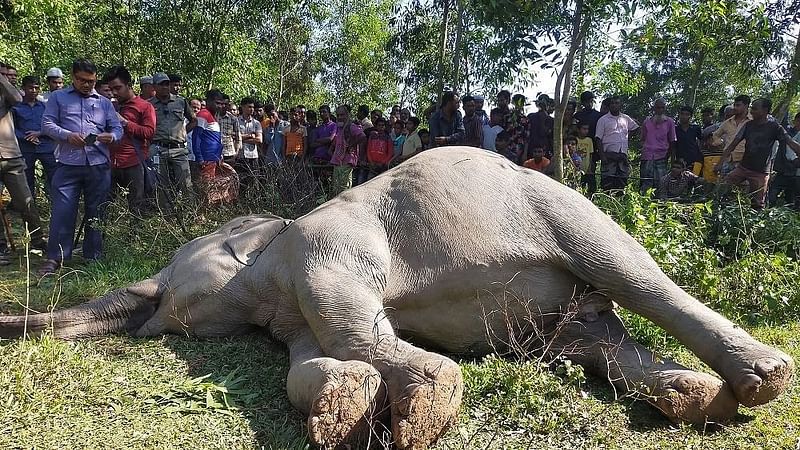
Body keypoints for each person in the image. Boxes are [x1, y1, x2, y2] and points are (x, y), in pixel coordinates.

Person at [39, 58, 122, 275]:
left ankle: (93, 256)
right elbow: (46, 124)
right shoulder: (58, 98)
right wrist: (67, 136)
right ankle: (56, 258)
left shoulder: (104, 102)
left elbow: (117, 128)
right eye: (83, 80)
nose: (87, 85)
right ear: (73, 77)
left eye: (91, 81)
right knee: (62, 211)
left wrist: (110, 136)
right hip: (67, 164)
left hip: (98, 165)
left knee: (97, 211)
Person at [715, 98, 800, 209]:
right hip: (742, 168)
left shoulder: (775, 127)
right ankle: (719, 210)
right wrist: (720, 163)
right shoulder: (748, 125)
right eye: (751, 108)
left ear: (765, 110)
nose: (751, 111)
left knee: (757, 204)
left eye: (755, 109)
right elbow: (732, 145)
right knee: (722, 188)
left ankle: (755, 224)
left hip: (760, 173)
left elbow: (790, 143)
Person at [0, 66, 46, 266]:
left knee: (25, 201)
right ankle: (1, 247)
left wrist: (1, 79)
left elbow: (18, 99)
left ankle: (38, 239)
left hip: (11, 155)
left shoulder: (6, 95)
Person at [104, 65, 156, 214]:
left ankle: (136, 237)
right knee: (104, 207)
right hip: (110, 163)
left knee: (137, 208)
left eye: (118, 88)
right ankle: (102, 236)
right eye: (111, 89)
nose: (114, 92)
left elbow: (149, 132)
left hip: (134, 164)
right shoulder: (110, 106)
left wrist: (125, 123)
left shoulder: (145, 107)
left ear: (128, 85)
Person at [149, 72, 196, 208]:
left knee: (186, 183)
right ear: (154, 87)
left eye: (166, 84)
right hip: (158, 148)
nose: (165, 87)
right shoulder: (149, 105)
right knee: (161, 185)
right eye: (161, 85)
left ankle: (190, 213)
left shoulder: (180, 101)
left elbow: (193, 120)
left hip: (179, 149)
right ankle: (166, 216)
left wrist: (182, 133)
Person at [12, 76, 57, 200]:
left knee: (54, 176)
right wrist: (26, 136)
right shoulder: (16, 107)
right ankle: (30, 207)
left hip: (46, 146)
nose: (33, 90)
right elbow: (11, 128)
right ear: (24, 88)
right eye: (30, 87)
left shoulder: (45, 107)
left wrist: (39, 133)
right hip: (26, 148)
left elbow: (53, 125)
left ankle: (55, 203)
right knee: (27, 178)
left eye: (36, 88)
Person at [595, 96, 639, 191]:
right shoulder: (603, 120)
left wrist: (628, 137)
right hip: (609, 155)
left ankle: (620, 201)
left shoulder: (625, 118)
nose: (614, 105)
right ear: (609, 105)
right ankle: (606, 201)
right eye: (612, 103)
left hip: (622, 155)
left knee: (622, 182)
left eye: (616, 103)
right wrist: (602, 156)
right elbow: (598, 138)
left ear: (620, 105)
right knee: (608, 182)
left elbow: (636, 128)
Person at [639, 98, 676, 194]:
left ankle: (660, 206)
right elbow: (642, 139)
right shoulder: (646, 122)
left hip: (662, 157)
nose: (660, 110)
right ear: (654, 108)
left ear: (665, 109)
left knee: (661, 184)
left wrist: (669, 158)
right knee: (645, 183)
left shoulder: (670, 122)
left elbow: (672, 142)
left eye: (662, 108)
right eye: (658, 107)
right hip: (647, 157)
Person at [329, 105, 366, 196]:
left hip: (347, 161)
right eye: (338, 115)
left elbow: (363, 137)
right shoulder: (340, 128)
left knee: (343, 190)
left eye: (342, 115)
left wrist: (351, 145)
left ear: (347, 115)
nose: (340, 117)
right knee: (336, 188)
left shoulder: (352, 126)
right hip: (338, 161)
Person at [711, 95, 750, 176]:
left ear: (746, 106)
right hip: (728, 159)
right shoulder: (728, 122)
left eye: (738, 105)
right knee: (723, 185)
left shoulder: (753, 120)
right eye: (735, 105)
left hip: (744, 160)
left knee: (742, 186)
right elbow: (715, 134)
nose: (735, 107)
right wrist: (719, 142)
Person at [193, 89, 224, 183]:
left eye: (221, 104)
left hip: (213, 160)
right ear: (209, 101)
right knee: (204, 191)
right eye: (217, 103)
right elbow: (196, 137)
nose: (219, 106)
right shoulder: (203, 114)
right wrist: (200, 158)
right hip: (205, 161)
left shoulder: (213, 116)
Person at [674, 106, 703, 173]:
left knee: (695, 180)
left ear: (691, 116)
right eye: (682, 114)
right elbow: (673, 146)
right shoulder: (675, 129)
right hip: (680, 160)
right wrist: (673, 161)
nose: (684, 116)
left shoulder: (696, 128)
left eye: (687, 114)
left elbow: (702, 141)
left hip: (695, 160)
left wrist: (700, 154)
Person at [526, 94, 553, 161]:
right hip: (531, 150)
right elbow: (527, 136)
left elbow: (545, 133)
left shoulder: (551, 120)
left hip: (545, 151)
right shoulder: (531, 116)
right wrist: (525, 152)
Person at [219, 94, 242, 165]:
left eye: (226, 104)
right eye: (222, 104)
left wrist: (236, 152)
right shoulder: (213, 116)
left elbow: (238, 136)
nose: (223, 106)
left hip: (229, 153)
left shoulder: (233, 118)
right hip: (215, 153)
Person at [575, 122, 596, 194]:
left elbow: (590, 155)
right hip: (577, 168)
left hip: (586, 168)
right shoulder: (574, 140)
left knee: (589, 188)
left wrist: (590, 168)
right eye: (584, 129)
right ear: (578, 129)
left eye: (587, 129)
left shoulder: (589, 140)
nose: (586, 131)